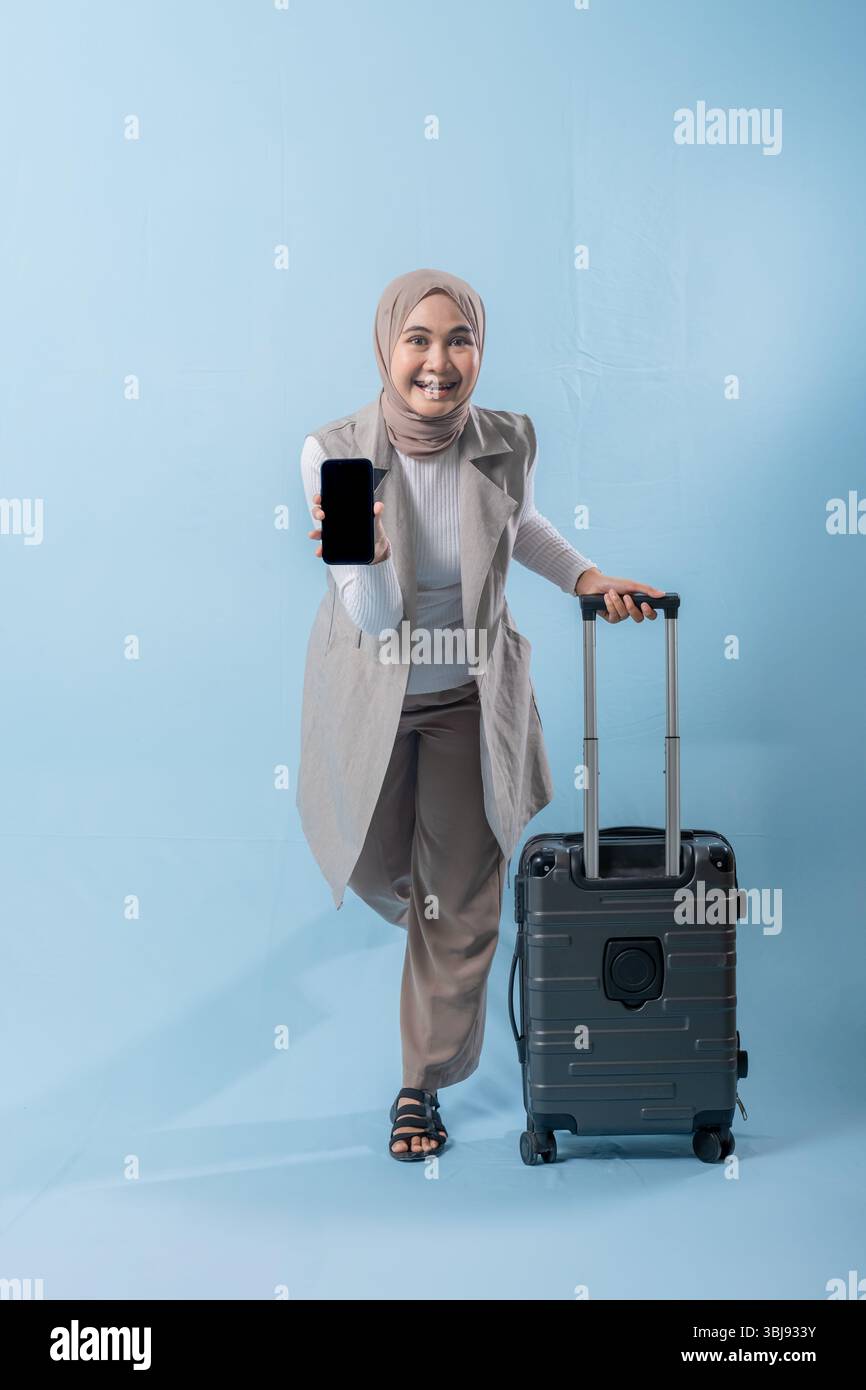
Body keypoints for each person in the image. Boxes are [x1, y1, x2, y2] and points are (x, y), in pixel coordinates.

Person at [298, 268, 664, 1161]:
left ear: (479, 350)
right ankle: (434, 920)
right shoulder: (337, 456)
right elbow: (374, 621)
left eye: (459, 339)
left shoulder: (506, 440)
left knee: (459, 900)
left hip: (468, 695)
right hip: (373, 695)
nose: (439, 360)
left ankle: (418, 1087)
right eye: (418, 339)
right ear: (386, 347)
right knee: (378, 866)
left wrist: (587, 577)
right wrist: (368, 555)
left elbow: (521, 526)